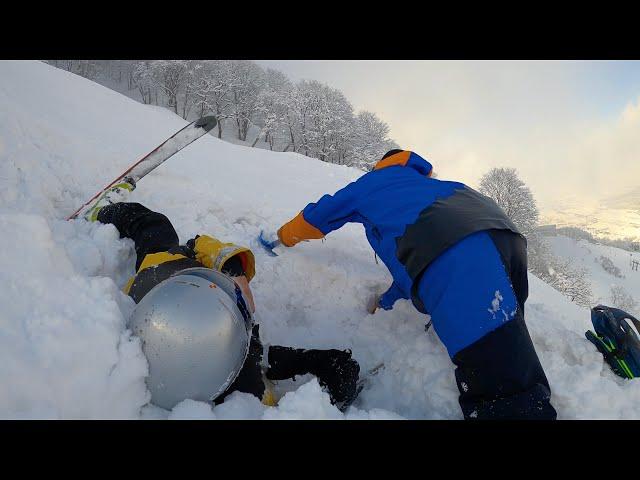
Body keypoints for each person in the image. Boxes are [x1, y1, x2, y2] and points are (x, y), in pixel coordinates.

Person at [274, 149, 557, 420]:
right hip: (504, 238)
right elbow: (412, 271)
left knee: (504, 386)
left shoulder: (372, 182)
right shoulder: (426, 185)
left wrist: (282, 237)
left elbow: (319, 215)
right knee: (506, 337)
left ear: (379, 165)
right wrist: (386, 304)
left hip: (453, 250)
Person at [84, 183, 360, 411]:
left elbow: (201, 244)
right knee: (155, 225)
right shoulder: (248, 384)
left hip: (167, 274)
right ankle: (110, 211)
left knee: (154, 225)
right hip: (174, 283)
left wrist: (234, 270)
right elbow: (332, 364)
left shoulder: (162, 318)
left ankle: (107, 212)